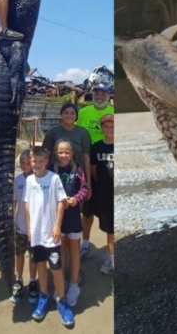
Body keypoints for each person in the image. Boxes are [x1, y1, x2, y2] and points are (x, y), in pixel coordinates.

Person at [25, 146, 74, 327]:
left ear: (46, 161)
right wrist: (30, 229)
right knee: (40, 267)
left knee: (56, 268)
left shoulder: (53, 178)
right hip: (36, 235)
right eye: (34, 162)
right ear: (30, 162)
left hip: (51, 234)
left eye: (40, 161)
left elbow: (62, 202)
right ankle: (43, 296)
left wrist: (57, 225)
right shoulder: (29, 181)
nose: (37, 164)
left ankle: (62, 301)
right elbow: (27, 205)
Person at [76, 83, 114, 260]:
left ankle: (112, 252)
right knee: (87, 208)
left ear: (108, 95)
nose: (99, 96)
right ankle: (85, 244)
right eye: (97, 93)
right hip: (86, 164)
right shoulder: (84, 113)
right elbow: (76, 133)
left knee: (109, 210)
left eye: (103, 93)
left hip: (108, 164)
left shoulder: (114, 112)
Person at [50, 139, 88, 308]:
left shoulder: (78, 170)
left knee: (73, 250)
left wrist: (76, 199)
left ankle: (73, 284)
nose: (64, 155)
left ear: (72, 153)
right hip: (57, 219)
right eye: (60, 152)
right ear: (56, 153)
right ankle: (62, 282)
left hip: (73, 217)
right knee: (60, 251)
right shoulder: (51, 170)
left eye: (67, 152)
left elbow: (84, 189)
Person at [11, 149, 39, 304]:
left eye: (29, 162)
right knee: (19, 254)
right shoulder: (17, 180)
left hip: (35, 228)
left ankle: (33, 281)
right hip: (20, 226)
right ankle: (19, 279)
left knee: (34, 256)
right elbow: (14, 202)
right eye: (22, 163)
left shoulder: (39, 179)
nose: (26, 165)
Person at [41, 102, 92, 186]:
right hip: (55, 174)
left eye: (72, 113)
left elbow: (86, 158)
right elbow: (46, 155)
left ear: (76, 116)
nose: (69, 116)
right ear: (61, 114)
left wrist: (88, 184)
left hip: (77, 176)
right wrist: (43, 176)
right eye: (66, 113)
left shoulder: (83, 133)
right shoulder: (53, 132)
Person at [90, 114, 115, 276]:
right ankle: (111, 259)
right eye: (106, 127)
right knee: (109, 230)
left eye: (112, 126)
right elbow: (93, 170)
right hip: (105, 195)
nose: (109, 129)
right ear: (102, 128)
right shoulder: (97, 147)